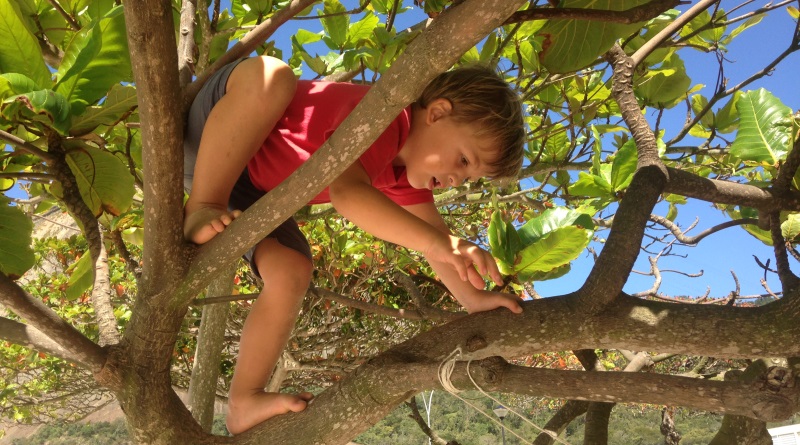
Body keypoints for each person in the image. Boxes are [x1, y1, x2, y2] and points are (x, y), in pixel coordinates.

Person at [183, 55, 526, 434]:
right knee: (271, 75)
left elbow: (437, 246)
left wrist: (475, 301)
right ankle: (202, 205)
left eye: (469, 177)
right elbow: (348, 195)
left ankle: (243, 400)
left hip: (246, 189)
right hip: (214, 130)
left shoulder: (401, 175)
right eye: (463, 160)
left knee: (290, 270)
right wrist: (442, 243)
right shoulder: (387, 117)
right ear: (437, 113)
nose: (457, 180)